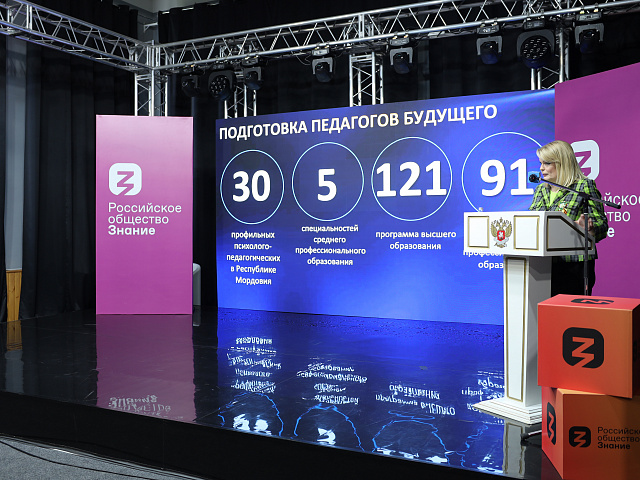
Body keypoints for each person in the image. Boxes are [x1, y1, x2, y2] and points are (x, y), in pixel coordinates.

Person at [528, 140, 608, 296]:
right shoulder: (540, 189)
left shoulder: (583, 186)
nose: (541, 168)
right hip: (542, 264)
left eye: (547, 163)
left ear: (563, 163)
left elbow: (602, 225)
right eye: (541, 163)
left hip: (573, 266)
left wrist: (589, 228)